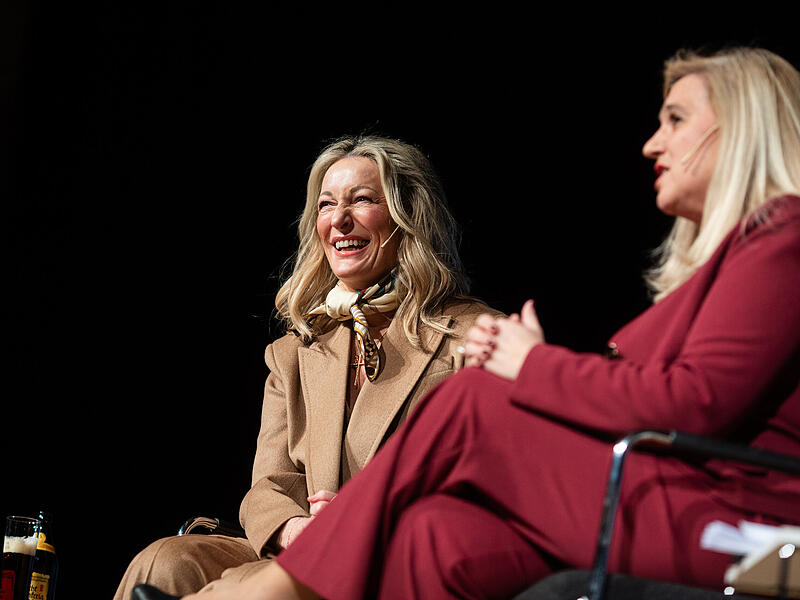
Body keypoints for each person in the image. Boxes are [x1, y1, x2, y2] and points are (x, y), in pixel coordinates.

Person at [176, 46, 800, 600]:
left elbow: (692, 406)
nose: (653, 143)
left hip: (761, 546)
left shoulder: (786, 238)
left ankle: (279, 592)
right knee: (433, 535)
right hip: (684, 508)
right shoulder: (731, 262)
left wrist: (532, 365)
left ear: (743, 126)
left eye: (676, 120)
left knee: (476, 400)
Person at [114, 135, 500, 599]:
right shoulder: (294, 352)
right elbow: (267, 488)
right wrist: (297, 528)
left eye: (362, 200)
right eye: (326, 205)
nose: (338, 219)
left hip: (399, 554)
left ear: (407, 217)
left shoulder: (473, 334)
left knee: (255, 584)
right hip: (305, 546)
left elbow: (492, 484)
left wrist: (356, 523)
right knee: (165, 561)